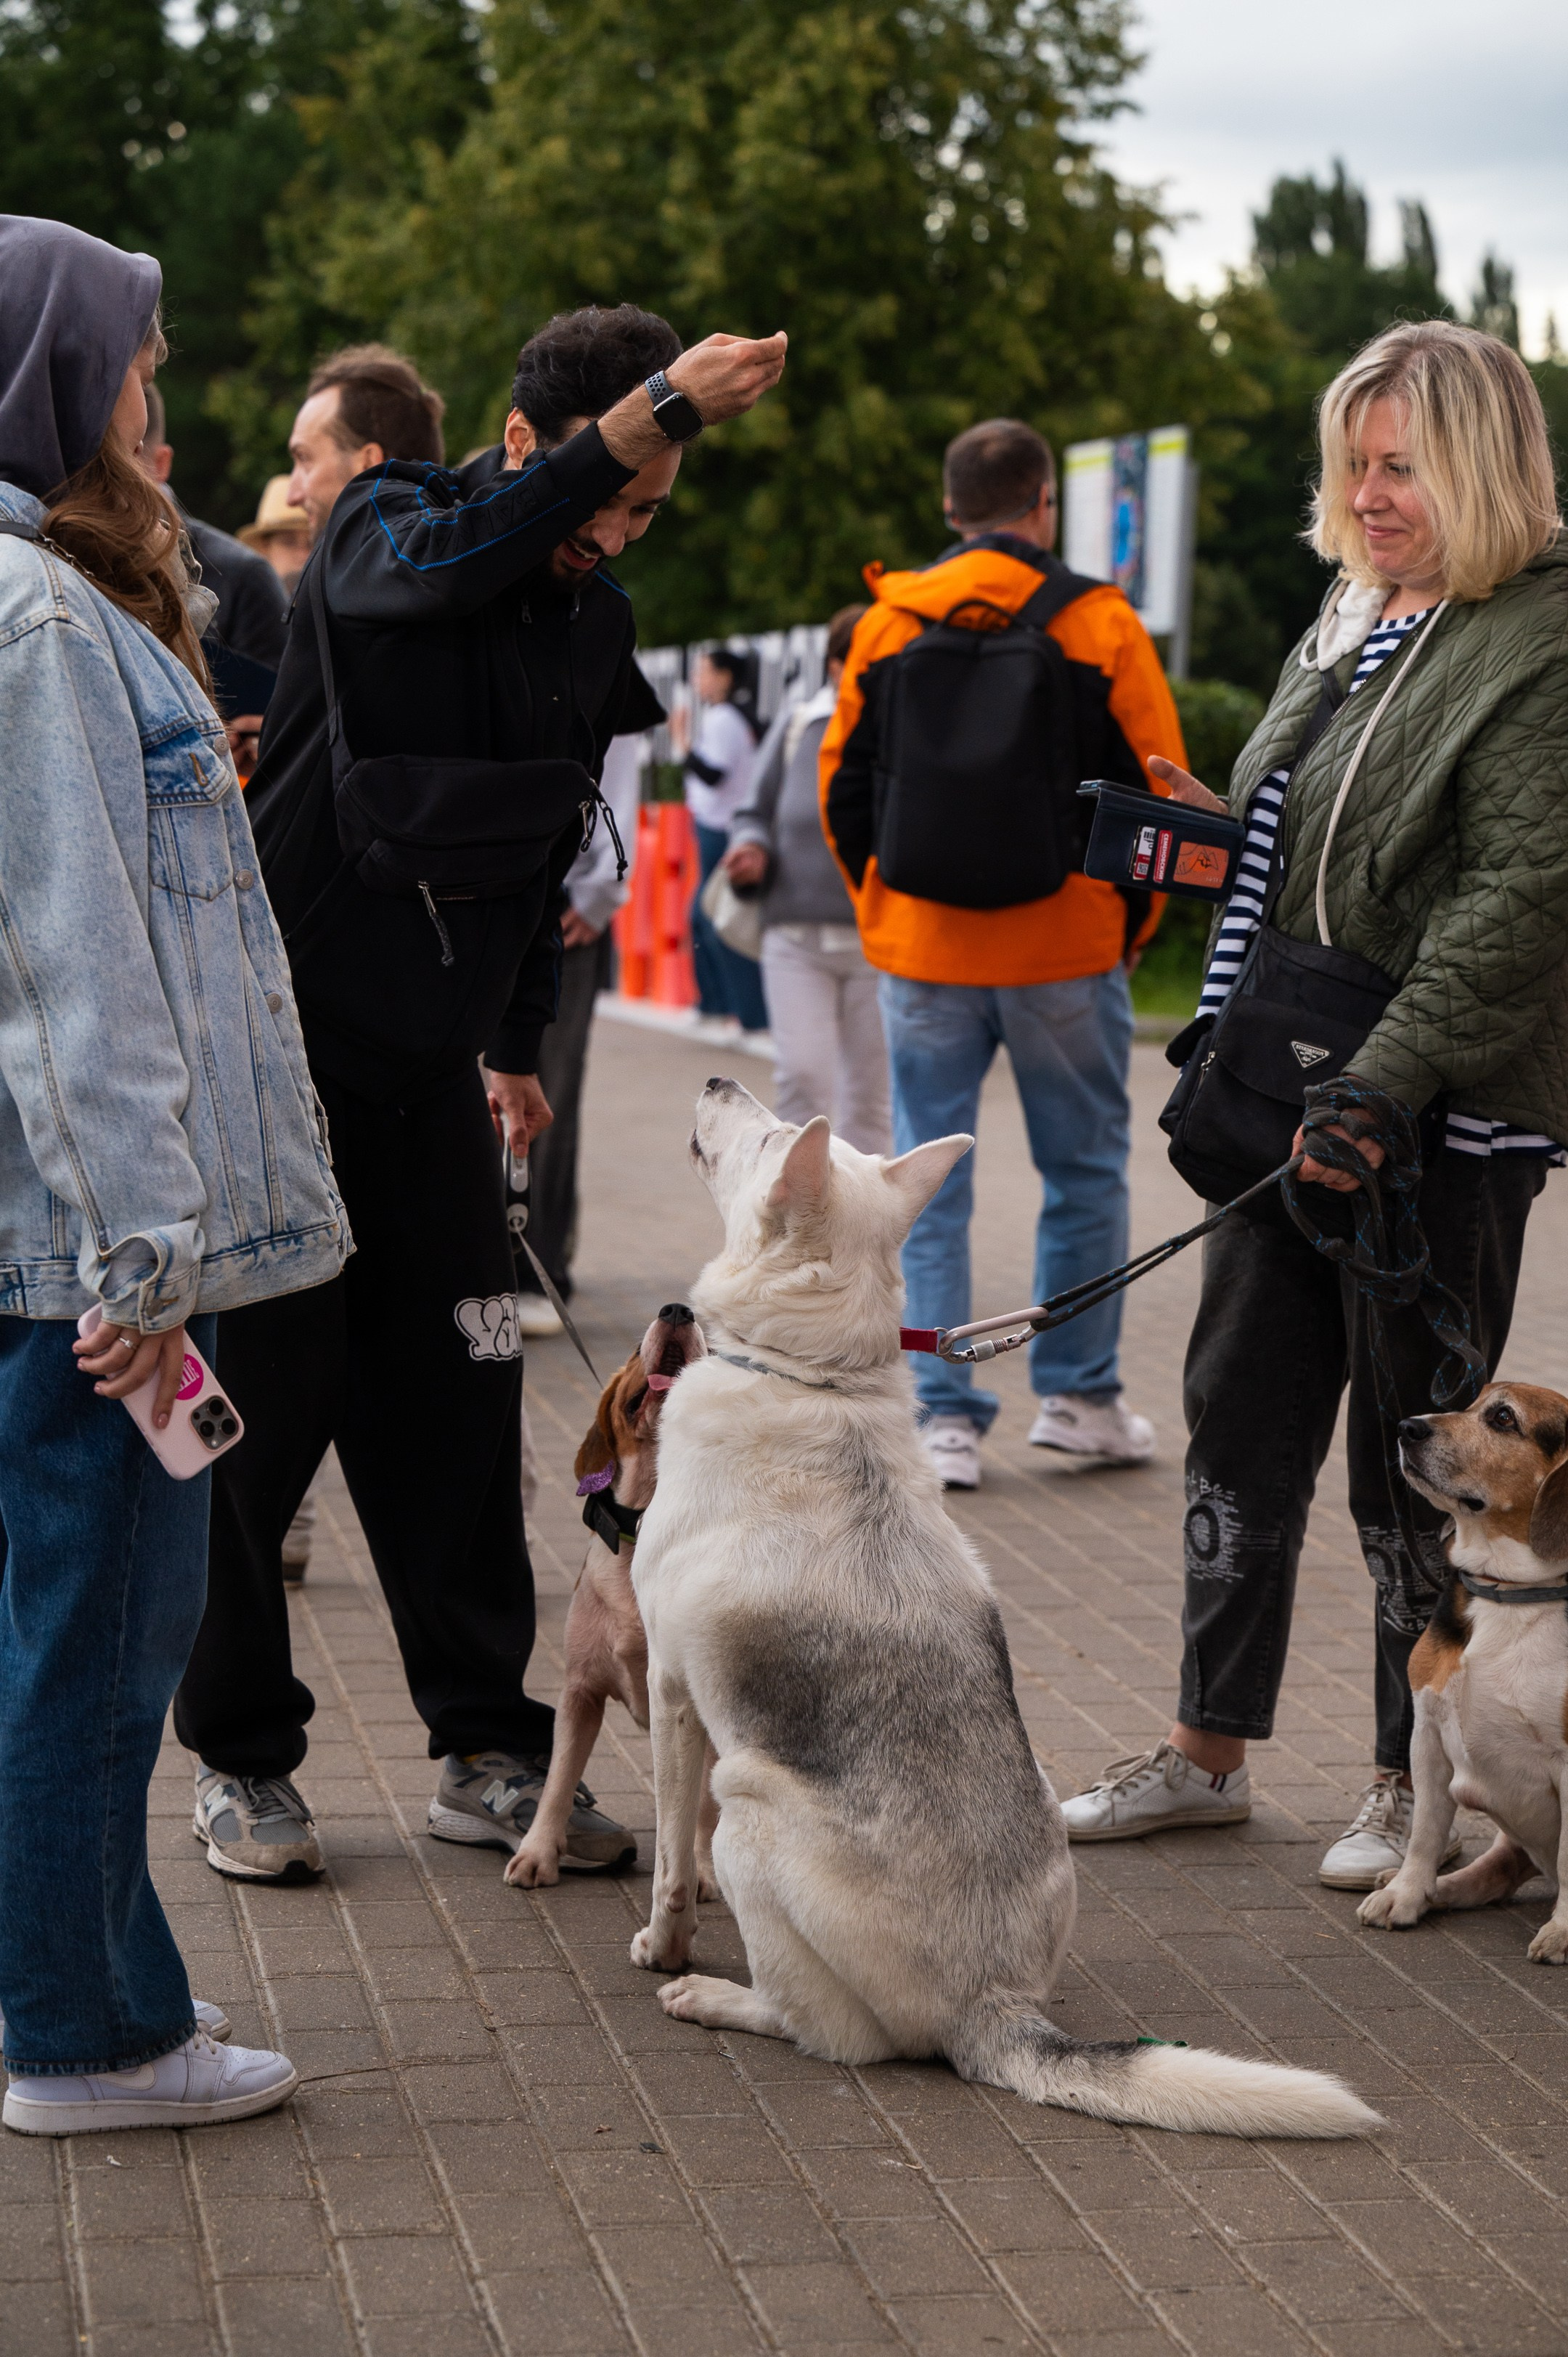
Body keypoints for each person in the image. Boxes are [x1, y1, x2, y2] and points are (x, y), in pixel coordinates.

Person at [172, 303, 786, 1884]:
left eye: (649, 514)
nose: (616, 537)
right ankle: (242, 1760)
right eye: (607, 498)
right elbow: (453, 565)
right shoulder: (392, 518)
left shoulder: (587, 625)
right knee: (265, 1417)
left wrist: (515, 1044)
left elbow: (552, 847)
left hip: (432, 1081)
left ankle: (490, 1749)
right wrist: (648, 410)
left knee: (458, 1401)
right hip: (279, 1071)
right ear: (526, 448)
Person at [1062, 321, 1568, 1892]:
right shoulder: (1354, 614)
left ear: (1484, 463)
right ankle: (1209, 1750)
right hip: (1289, 1090)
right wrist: (1201, 842)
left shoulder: (1542, 632)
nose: (1368, 493)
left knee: (1416, 1449)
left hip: (1436, 1112)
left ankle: (1397, 1776)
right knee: (1241, 1409)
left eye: (1400, 464)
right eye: (1353, 463)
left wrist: (1381, 1084)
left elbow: (1521, 893)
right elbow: (1309, 840)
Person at [0, 216, 348, 2133]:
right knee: (96, 1651)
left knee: (61, 1639)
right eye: (136, 361)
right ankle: (85, 2036)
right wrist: (141, 1266)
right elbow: (74, 964)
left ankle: (93, 1984)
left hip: (39, 1228)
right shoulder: (43, 625)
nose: (158, 398)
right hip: (78, 1252)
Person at [821, 418, 1185, 1490]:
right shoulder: (1098, 620)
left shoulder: (888, 623)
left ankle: (943, 1419)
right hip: (1065, 946)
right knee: (1082, 1173)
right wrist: (1127, 930)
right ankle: (1078, 1398)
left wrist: (885, 909)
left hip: (923, 951)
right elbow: (1159, 790)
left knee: (926, 1187)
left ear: (948, 509)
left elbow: (841, 786)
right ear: (1043, 506)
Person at [516, 665, 664, 1338]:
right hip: (484, 898)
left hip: (564, 908)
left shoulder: (602, 645)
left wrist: (600, 895)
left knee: (548, 1089)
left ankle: (537, 1262)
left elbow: (620, 778)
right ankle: (489, 1258)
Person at [723, 604, 891, 1151]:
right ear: (836, 664)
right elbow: (752, 809)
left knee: (871, 1097)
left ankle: (862, 1227)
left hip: (879, 942)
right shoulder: (801, 723)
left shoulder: (903, 730)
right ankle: (797, 1218)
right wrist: (751, 846)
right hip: (794, 937)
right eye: (861, 657)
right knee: (802, 1081)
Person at [137, 382, 288, 668]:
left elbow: (274, 709)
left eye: (130, 458)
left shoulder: (244, 577)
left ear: (161, 463)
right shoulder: (69, 555)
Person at [679, 644, 769, 1036]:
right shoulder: (728, 717)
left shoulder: (724, 719)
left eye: (704, 672)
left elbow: (713, 775)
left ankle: (748, 1013)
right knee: (707, 919)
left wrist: (681, 740)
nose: (697, 680)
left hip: (724, 829)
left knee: (718, 919)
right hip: (718, 826)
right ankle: (719, 1006)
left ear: (725, 677)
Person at [283, 342, 446, 545]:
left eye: (304, 458)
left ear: (369, 463)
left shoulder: (387, 573)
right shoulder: (453, 555)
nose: (292, 497)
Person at [239, 474, 313, 590]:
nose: (303, 555)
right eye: (289, 542)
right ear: (264, 549)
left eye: (312, 544)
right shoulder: (241, 605)